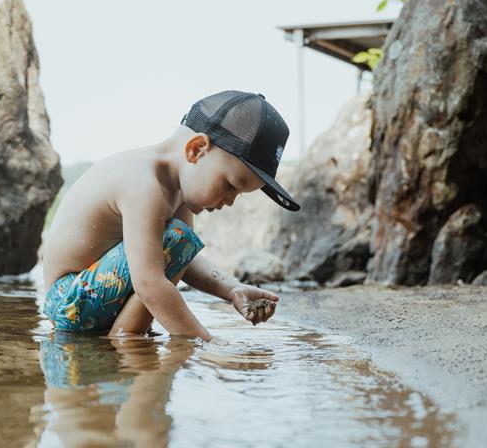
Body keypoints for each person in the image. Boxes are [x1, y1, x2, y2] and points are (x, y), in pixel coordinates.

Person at [40, 90, 300, 341]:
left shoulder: (178, 190)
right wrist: (206, 343)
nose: (230, 201)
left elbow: (180, 262)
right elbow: (150, 282)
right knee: (179, 240)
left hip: (93, 299)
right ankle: (126, 335)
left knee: (180, 242)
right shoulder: (143, 182)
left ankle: (127, 333)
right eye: (230, 185)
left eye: (239, 194)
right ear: (197, 149)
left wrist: (232, 289)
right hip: (69, 299)